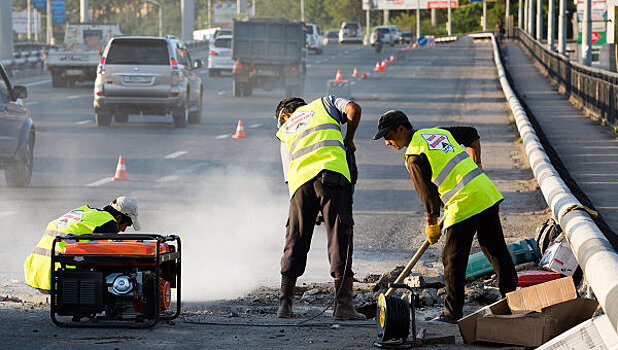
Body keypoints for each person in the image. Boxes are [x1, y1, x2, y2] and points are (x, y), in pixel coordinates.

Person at [373, 110, 517, 323]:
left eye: (389, 136)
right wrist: (477, 163)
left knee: (452, 260)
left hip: (464, 203)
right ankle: (513, 300)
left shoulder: (414, 156)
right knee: (496, 250)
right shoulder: (438, 133)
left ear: (402, 129)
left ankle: (452, 313)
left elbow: (428, 195)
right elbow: (471, 134)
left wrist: (431, 223)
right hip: (486, 193)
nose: (387, 142)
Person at [274, 95, 365, 320]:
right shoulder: (325, 103)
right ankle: (343, 306)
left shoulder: (285, 131)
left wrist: (308, 208)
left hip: (300, 186)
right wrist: (348, 138)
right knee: (339, 236)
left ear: (285, 114)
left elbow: (289, 176)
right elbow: (354, 109)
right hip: (333, 176)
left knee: (295, 238)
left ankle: (284, 305)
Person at [24, 196, 141, 292]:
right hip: (58, 277)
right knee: (111, 262)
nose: (124, 230)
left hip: (36, 274)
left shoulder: (85, 212)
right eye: (127, 225)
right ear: (119, 218)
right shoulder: (109, 223)